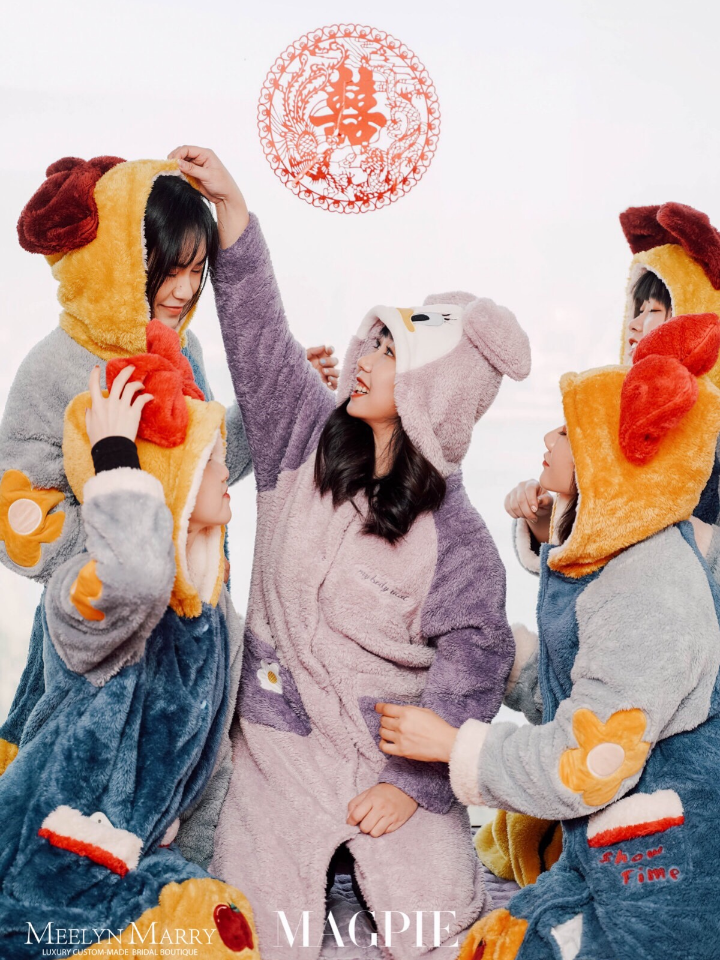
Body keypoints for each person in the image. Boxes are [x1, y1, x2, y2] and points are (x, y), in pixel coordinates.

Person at [168, 145, 532, 960]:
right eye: (372, 343)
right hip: (278, 748)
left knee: (439, 922)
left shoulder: (458, 537)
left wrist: (414, 785)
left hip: (389, 760)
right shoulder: (300, 435)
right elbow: (259, 335)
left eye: (389, 354)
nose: (363, 360)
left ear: (435, 391)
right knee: (253, 929)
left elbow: (476, 658)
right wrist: (234, 212)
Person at [377, 313, 720, 959]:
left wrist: (453, 744)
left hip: (664, 875)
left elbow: (588, 759)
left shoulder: (650, 591)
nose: (548, 437)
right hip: (604, 848)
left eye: (567, 430)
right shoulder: (627, 554)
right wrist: (494, 652)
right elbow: (578, 684)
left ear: (609, 460)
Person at [0, 154, 336, 775]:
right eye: (167, 269)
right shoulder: (55, 365)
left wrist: (282, 396)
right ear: (122, 262)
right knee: (82, 786)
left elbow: (205, 463)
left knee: (189, 782)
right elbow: (18, 511)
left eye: (197, 270)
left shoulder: (185, 349)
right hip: (103, 634)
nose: (183, 290)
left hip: (193, 625)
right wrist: (116, 566)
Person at [0, 333, 260, 959]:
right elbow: (136, 578)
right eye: (210, 460)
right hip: (44, 856)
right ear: (172, 478)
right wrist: (116, 455)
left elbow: (208, 765)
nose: (225, 471)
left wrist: (195, 860)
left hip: (135, 858)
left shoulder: (214, 624)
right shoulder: (86, 592)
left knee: (223, 926)